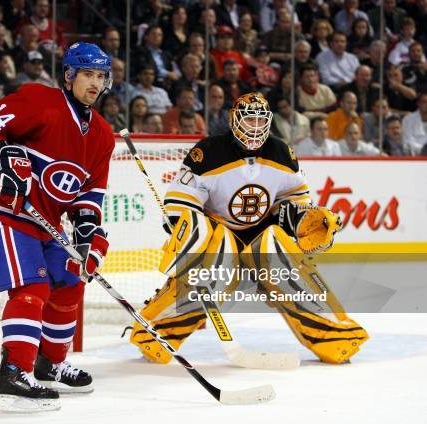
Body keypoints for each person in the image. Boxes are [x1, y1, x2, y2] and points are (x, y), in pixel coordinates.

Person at [128, 92, 367, 366]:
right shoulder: (206, 153)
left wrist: (304, 221)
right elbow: (180, 205)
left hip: (260, 239)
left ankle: (336, 340)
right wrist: (187, 230)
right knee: (207, 272)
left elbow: (295, 203)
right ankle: (154, 337)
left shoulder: (282, 153)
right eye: (248, 119)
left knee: (288, 267)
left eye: (259, 120)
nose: (254, 127)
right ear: (234, 120)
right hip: (222, 240)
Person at [0, 42, 114, 413]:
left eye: (101, 76)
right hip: (2, 211)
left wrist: (86, 231)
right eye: (87, 74)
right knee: (32, 288)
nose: (94, 83)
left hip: (44, 224)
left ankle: (50, 363)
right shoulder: (38, 101)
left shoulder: (103, 135)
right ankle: (14, 372)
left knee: (70, 279)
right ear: (69, 75)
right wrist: (2, 155)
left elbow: (90, 192)